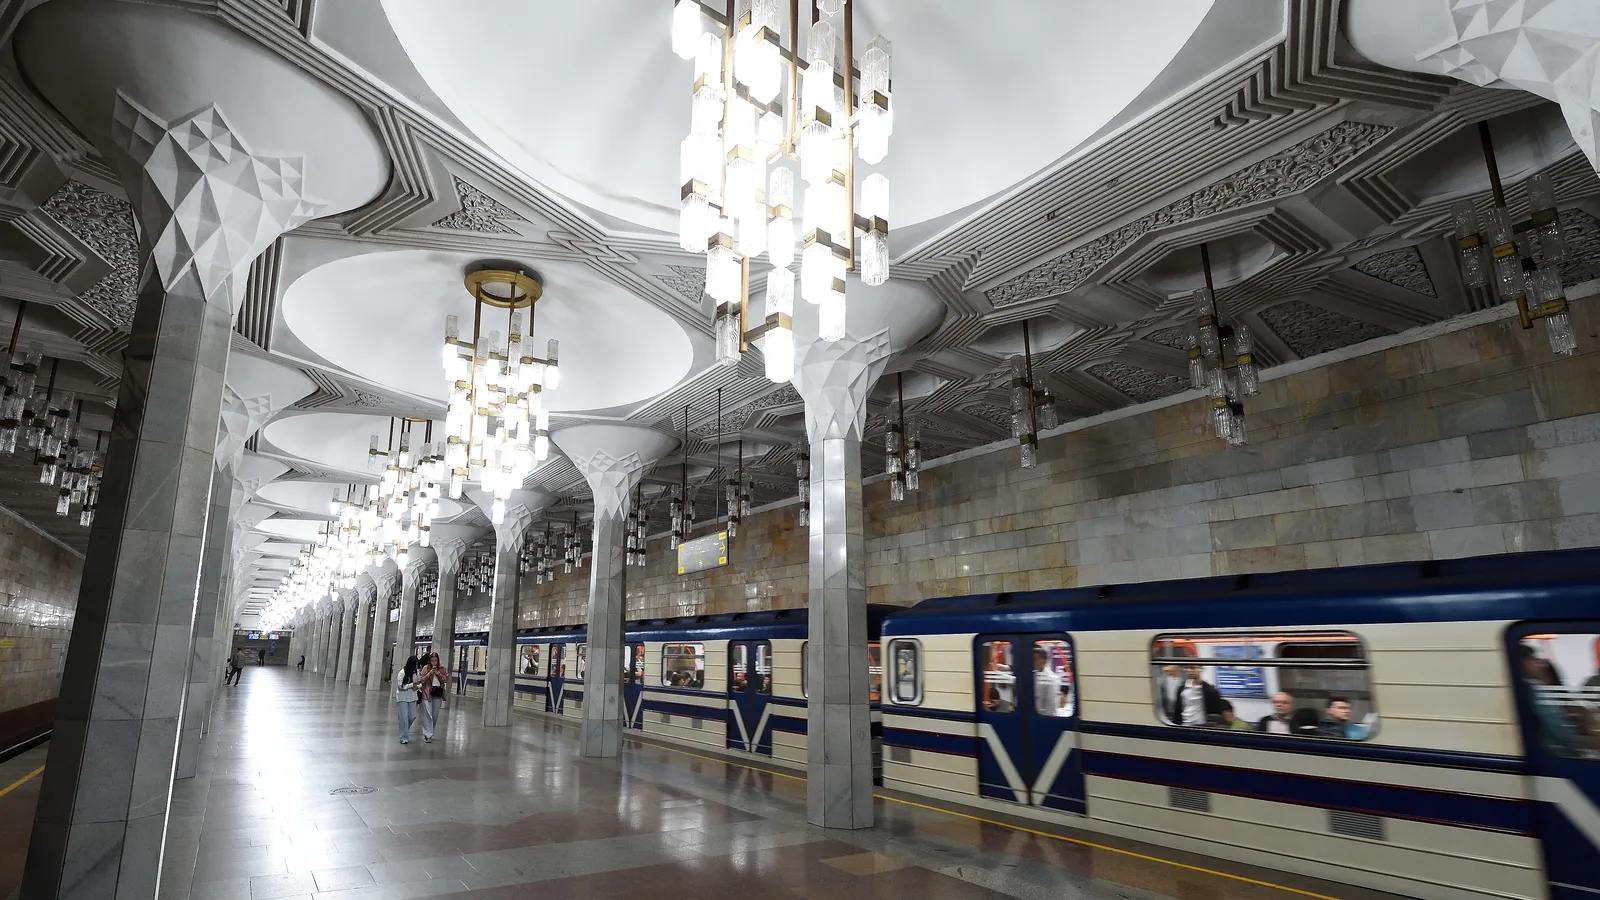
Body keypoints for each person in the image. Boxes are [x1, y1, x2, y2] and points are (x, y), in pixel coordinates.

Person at [416, 652, 448, 743]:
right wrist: (429, 674)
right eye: (432, 661)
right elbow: (421, 680)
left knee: (434, 715)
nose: (434, 662)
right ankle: (427, 734)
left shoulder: (442, 669)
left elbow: (446, 679)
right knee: (428, 714)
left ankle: (430, 731)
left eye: (436, 661)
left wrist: (438, 674)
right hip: (427, 693)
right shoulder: (426, 668)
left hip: (437, 693)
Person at [1033, 647, 1066, 716]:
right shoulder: (1033, 675)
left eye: (1035, 659)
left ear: (1044, 661)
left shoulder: (1051, 679)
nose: (1032, 662)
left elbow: (1051, 706)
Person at [395, 655, 420, 745]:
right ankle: (404, 737)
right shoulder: (402, 673)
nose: (416, 666)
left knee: (412, 716)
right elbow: (400, 686)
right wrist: (411, 685)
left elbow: (420, 683)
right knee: (403, 718)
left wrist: (417, 687)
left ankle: (404, 729)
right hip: (402, 698)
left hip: (413, 697)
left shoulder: (417, 672)